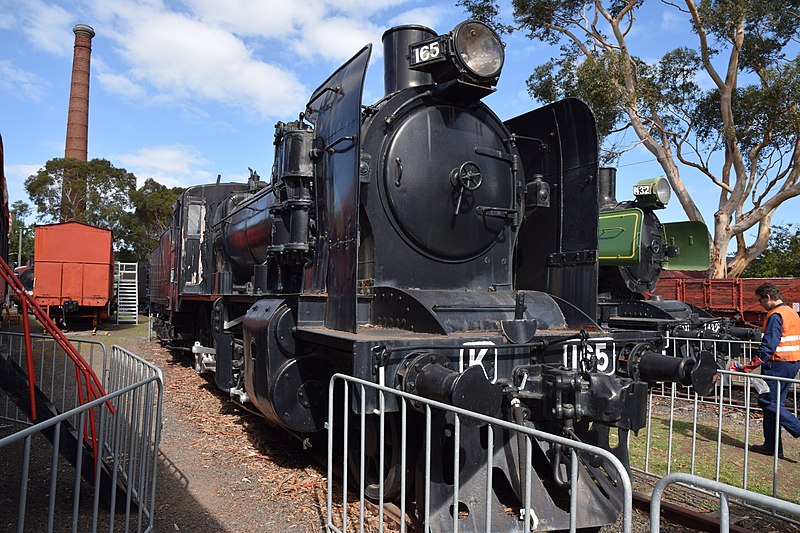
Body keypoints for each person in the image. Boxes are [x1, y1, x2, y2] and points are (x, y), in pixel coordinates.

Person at [734, 283, 800, 458]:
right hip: (792, 363)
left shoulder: (776, 315)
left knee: (767, 401)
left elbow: (769, 346)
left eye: (760, 300)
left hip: (776, 365)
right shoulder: (791, 313)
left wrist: (749, 366)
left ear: (768, 297)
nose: (760, 304)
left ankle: (797, 428)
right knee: (775, 405)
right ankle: (772, 446)